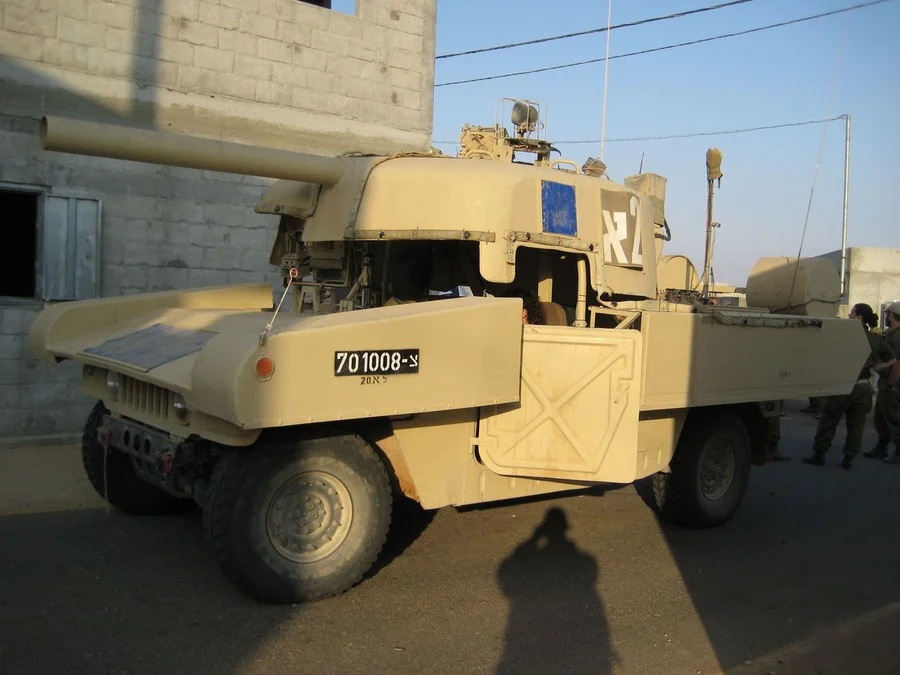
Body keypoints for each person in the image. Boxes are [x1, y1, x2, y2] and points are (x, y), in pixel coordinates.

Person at [802, 303, 894, 470]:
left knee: (829, 420)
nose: (849, 315)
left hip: (844, 385)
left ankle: (820, 454)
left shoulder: (844, 335)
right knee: (856, 425)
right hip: (864, 387)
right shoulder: (874, 339)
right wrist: (873, 368)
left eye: (852, 313)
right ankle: (848, 459)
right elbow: (891, 359)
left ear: (859, 317)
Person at [864, 301, 900, 462]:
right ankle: (881, 446)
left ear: (891, 315)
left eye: (887, 314)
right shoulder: (890, 333)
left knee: (893, 417)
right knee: (880, 416)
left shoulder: (898, 336)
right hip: (885, 382)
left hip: (892, 383)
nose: (885, 316)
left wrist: (891, 385)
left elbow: (898, 363)